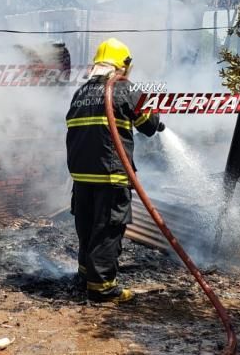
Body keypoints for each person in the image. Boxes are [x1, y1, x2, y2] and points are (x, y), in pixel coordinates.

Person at [65, 38, 165, 303]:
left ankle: (85, 276)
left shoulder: (81, 92)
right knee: (108, 230)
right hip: (110, 175)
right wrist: (157, 121)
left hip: (81, 177)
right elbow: (149, 125)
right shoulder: (123, 88)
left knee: (87, 227)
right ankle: (103, 289)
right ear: (124, 65)